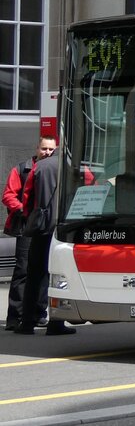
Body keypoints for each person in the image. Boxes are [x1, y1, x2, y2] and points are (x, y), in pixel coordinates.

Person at [15, 138, 75, 335]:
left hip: (42, 228)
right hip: (64, 229)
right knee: (60, 277)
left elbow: (27, 196)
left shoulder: (39, 167)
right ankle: (56, 322)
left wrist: (30, 216)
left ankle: (27, 323)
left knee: (34, 275)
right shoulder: (72, 166)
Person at [4, 136, 55, 331]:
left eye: (51, 149)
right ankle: (15, 316)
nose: (47, 152)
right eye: (44, 148)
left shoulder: (52, 168)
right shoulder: (21, 169)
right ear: (37, 148)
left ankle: (38, 314)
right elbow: (8, 195)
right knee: (23, 271)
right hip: (27, 226)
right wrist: (26, 211)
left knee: (44, 271)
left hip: (47, 226)